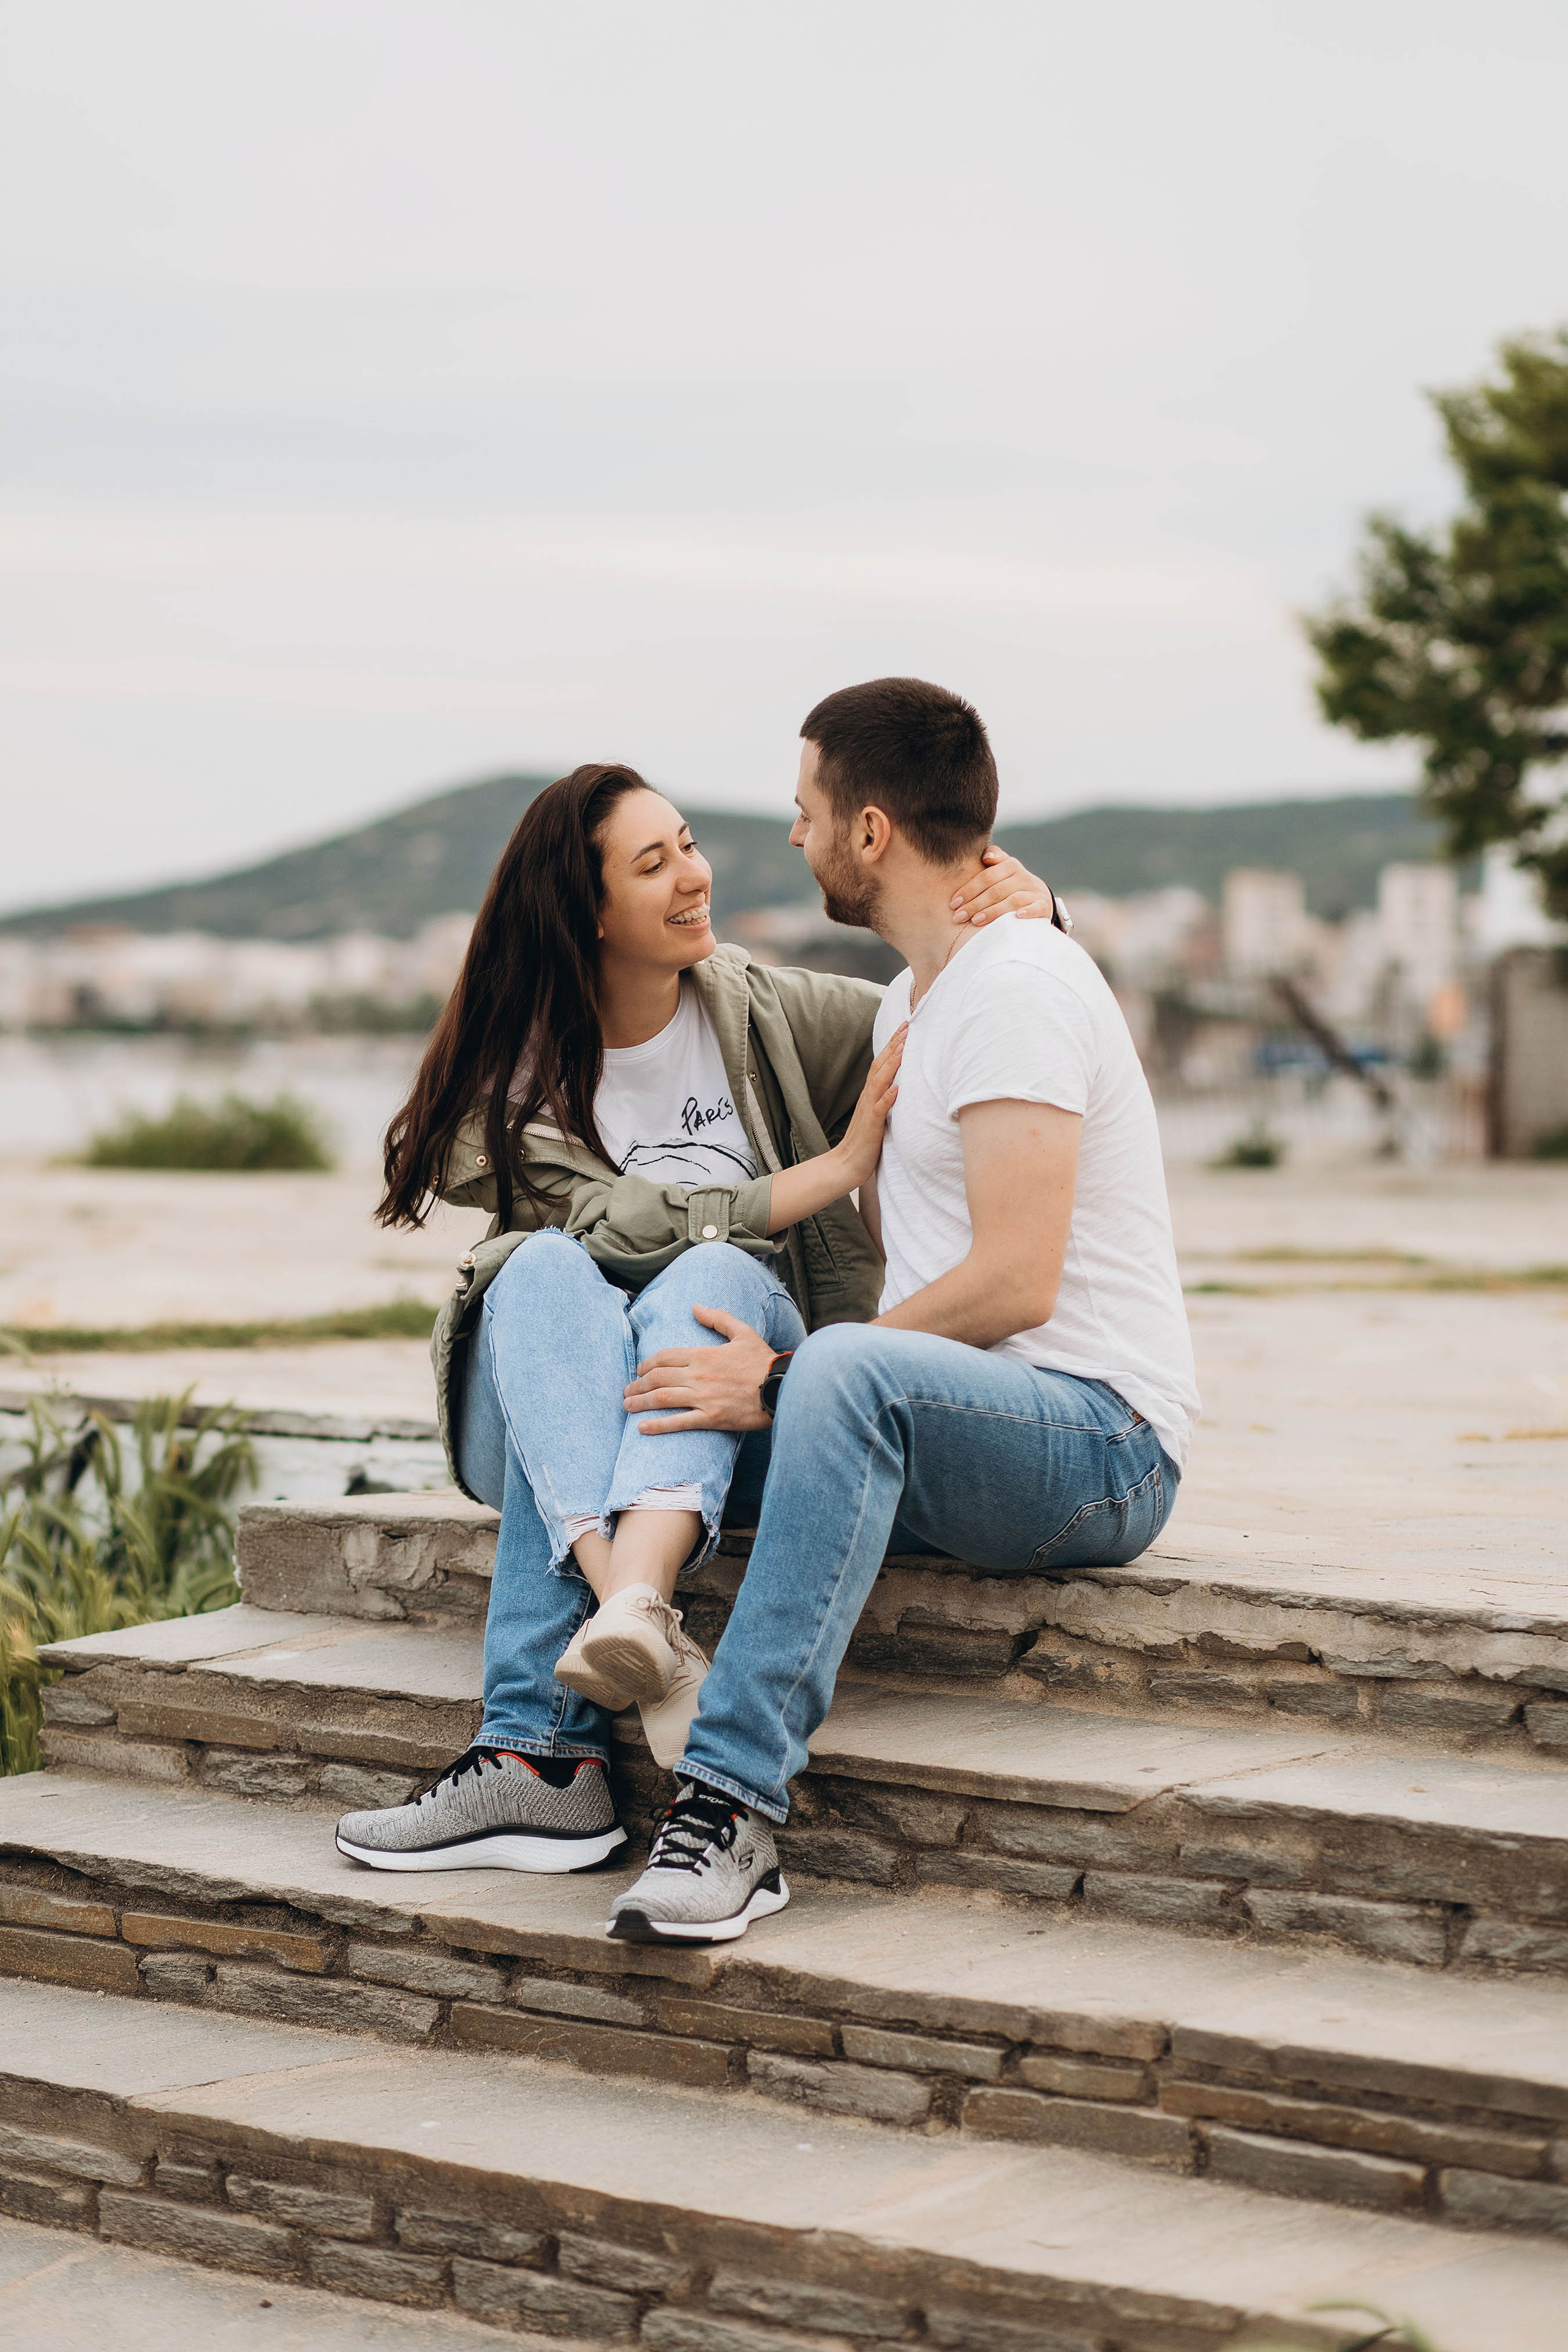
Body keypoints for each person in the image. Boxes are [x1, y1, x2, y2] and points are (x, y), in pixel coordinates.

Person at [335, 759, 1060, 1875]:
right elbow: (619, 1223)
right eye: (654, 861)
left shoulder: (761, 1010)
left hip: (718, 1403)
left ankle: (545, 1761)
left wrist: (1035, 912)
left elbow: (950, 1006)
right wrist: (832, 1171)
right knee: (537, 1269)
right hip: (538, 1413)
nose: (695, 874)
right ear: (587, 913)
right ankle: (632, 1598)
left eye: (688, 844)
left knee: (713, 1281)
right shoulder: (512, 1072)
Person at [605, 679, 1201, 1943]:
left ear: (867, 832)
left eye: (804, 808)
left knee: (830, 1370)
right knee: (666, 1394)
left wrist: (791, 1380)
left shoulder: (1017, 987)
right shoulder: (907, 1004)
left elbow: (1015, 1282)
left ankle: (727, 1805)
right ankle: (535, 1756)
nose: (789, 837)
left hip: (1099, 1444)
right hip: (960, 1427)